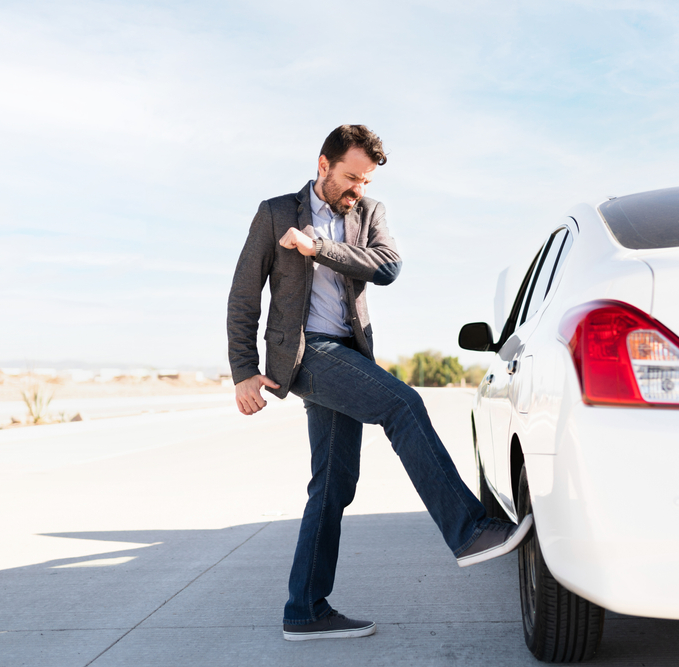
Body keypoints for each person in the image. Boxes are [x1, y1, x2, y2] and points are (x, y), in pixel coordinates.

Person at [226, 124, 532, 642]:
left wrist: (317, 247)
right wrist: (242, 372)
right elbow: (243, 297)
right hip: (303, 355)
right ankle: (469, 531)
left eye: (364, 181)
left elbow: (387, 267)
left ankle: (304, 609)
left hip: (349, 353)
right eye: (350, 178)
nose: (357, 190)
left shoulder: (367, 213)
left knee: (332, 486)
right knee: (403, 405)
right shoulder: (276, 211)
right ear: (322, 165)